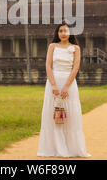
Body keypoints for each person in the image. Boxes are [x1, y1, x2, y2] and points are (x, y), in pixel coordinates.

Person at [37, 21, 91, 158]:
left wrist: (66, 86)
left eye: (66, 31)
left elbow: (76, 68)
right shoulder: (52, 46)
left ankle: (72, 148)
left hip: (69, 82)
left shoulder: (75, 48)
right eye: (60, 31)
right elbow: (48, 66)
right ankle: (55, 148)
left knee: (71, 115)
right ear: (57, 33)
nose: (63, 33)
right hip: (53, 81)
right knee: (53, 114)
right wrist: (54, 85)